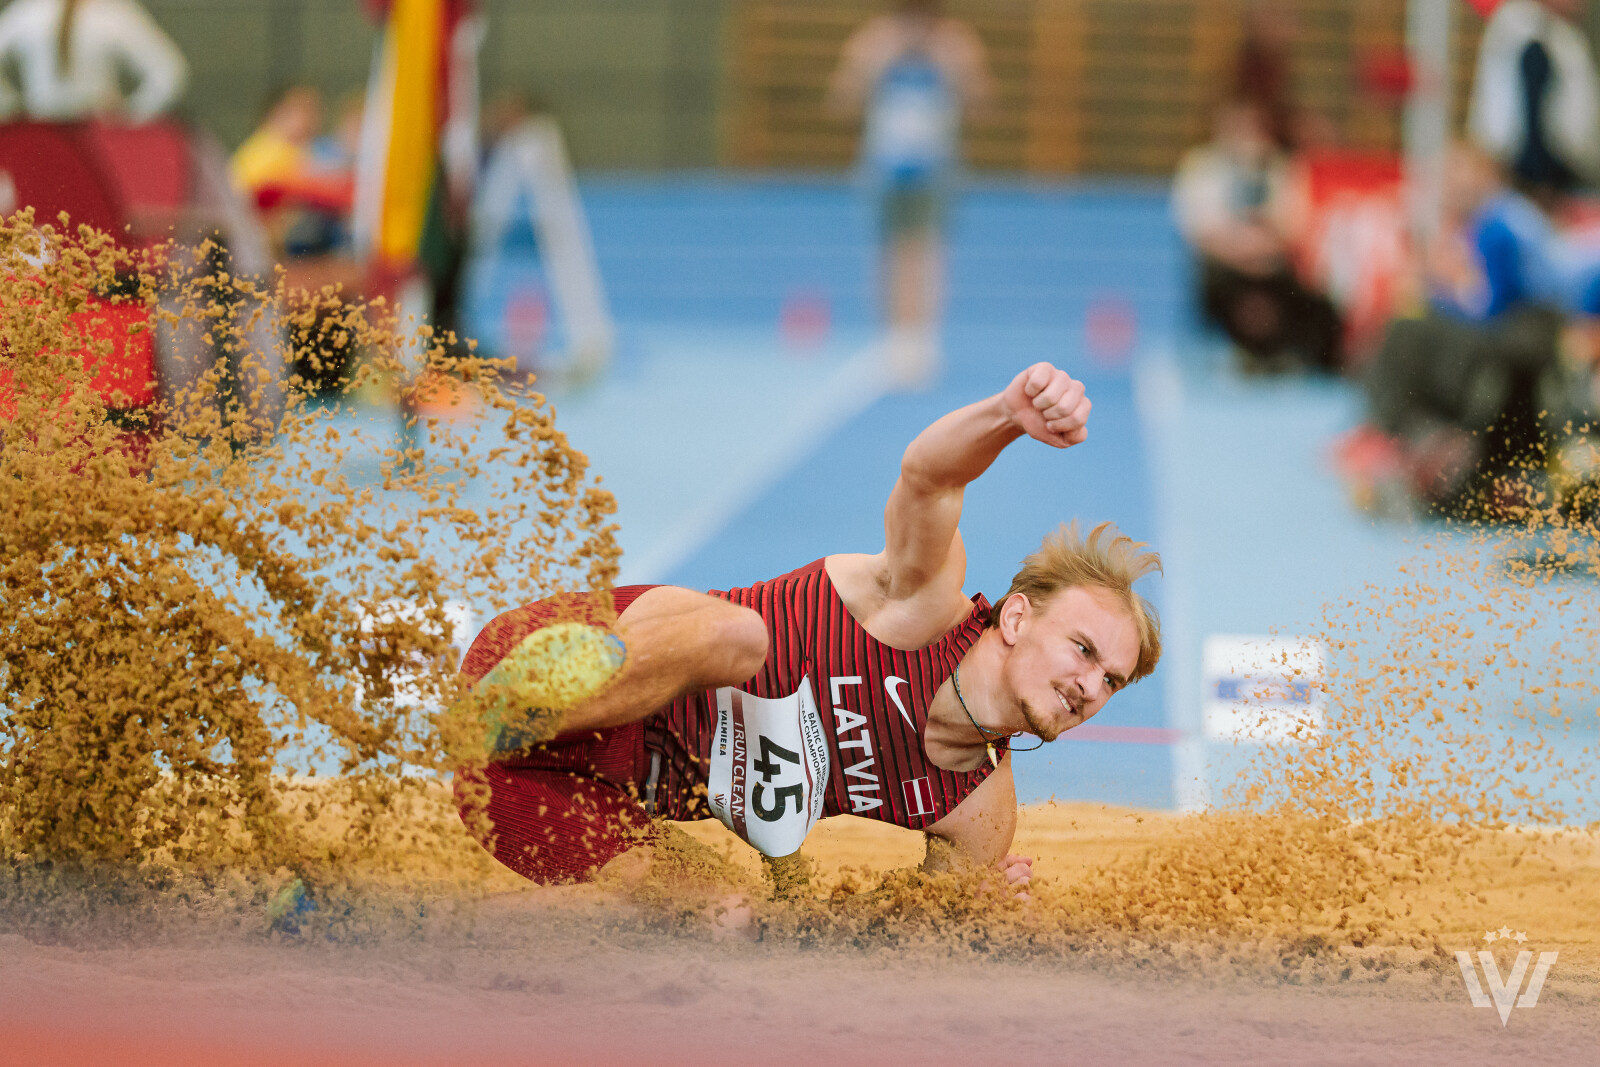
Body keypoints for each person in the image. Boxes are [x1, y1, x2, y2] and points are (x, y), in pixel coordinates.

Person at [450, 362, 1161, 897]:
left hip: (562, 799)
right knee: (739, 637)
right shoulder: (920, 606)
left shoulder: (977, 809)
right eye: (1084, 648)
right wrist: (1007, 413)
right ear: (1015, 617)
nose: (1090, 685)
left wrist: (979, 913)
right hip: (547, 672)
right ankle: (491, 719)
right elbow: (927, 478)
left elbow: (915, 943)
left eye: (1111, 680)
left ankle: (448, 931)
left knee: (728, 918)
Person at [827, 0, 993, 387]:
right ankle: (892, 339)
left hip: (934, 166)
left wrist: (955, 69)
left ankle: (923, 340)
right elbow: (840, 100)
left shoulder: (956, 42)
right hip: (886, 164)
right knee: (889, 253)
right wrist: (871, 66)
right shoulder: (875, 39)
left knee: (928, 253)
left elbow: (983, 105)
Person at [1173, 99, 1342, 373]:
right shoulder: (1204, 169)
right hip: (1226, 265)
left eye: (1253, 129)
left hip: (1271, 264)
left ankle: (1286, 353)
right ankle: (1245, 351)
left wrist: (1261, 251)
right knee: (1229, 285)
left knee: (1312, 289)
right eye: (1239, 128)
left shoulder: (1280, 169)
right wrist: (1248, 254)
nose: (1246, 136)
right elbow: (1202, 233)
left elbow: (1294, 227)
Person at [1468, 0, 1600, 203]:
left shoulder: (1564, 36)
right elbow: (1519, 121)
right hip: (1529, 176)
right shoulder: (1527, 38)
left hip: (1564, 174)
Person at [0, 0, 186, 123]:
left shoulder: (26, 11)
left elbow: (170, 72)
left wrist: (14, 111)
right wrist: (131, 117)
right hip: (90, 131)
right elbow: (170, 72)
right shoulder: (114, 11)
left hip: (50, 130)